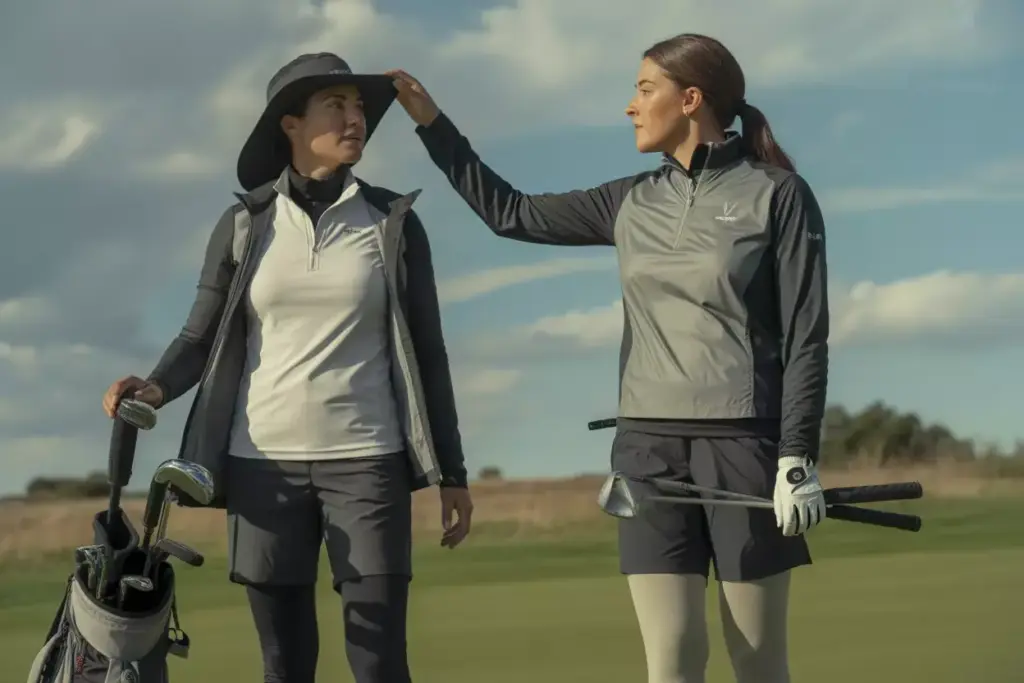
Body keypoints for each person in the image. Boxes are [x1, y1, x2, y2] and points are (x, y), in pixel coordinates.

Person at [385, 31, 829, 683]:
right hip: (647, 450)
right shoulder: (629, 200)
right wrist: (432, 125)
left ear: (691, 98)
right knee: (672, 656)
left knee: (758, 660)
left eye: (645, 89)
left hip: (744, 448)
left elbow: (806, 332)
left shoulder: (778, 195)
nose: (631, 105)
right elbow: (509, 212)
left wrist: (796, 455)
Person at [101, 52, 474, 683]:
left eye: (359, 107)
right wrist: (156, 385)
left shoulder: (392, 223)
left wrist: (453, 471)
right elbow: (201, 335)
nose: (355, 118)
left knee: (381, 662)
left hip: (368, 462)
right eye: (337, 105)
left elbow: (430, 354)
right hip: (261, 467)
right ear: (290, 124)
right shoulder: (246, 224)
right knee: (285, 663)